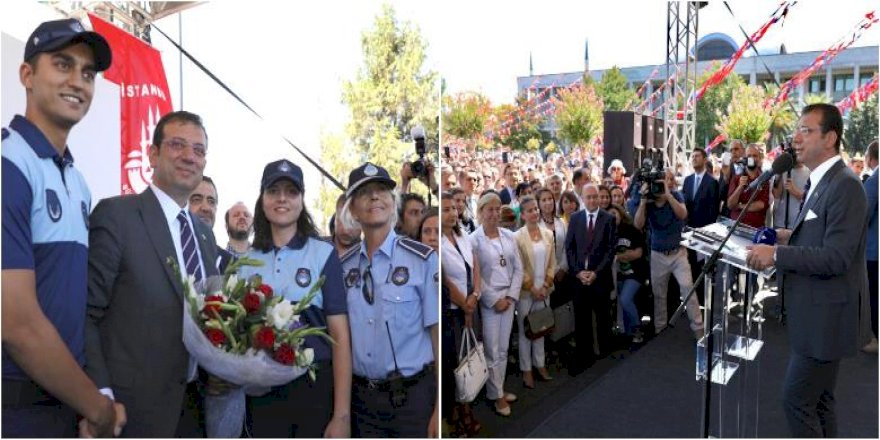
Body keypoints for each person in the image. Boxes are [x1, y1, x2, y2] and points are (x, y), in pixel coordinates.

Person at [2, 18, 123, 438]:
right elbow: (15, 323)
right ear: (27, 75)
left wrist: (86, 398)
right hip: (15, 409)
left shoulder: (78, 182)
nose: (78, 81)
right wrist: (98, 407)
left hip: (64, 403)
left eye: (88, 73)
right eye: (63, 64)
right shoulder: (8, 165)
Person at [86, 110, 218, 436]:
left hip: (195, 408)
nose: (189, 156)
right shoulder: (117, 216)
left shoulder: (205, 236)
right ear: (153, 153)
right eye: (177, 145)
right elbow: (85, 315)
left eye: (198, 150)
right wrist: (98, 395)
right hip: (130, 411)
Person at [746, 104, 868, 438]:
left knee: (796, 400)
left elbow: (836, 257)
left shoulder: (845, 184)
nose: (795, 138)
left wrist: (778, 254)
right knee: (820, 401)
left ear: (830, 138)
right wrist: (788, 235)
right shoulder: (822, 180)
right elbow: (821, 236)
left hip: (825, 321)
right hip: (813, 316)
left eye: (806, 130)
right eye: (796, 130)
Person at [237, 159, 351, 437]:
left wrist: (342, 416)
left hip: (314, 392)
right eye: (273, 191)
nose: (282, 199)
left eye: (291, 192)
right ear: (262, 199)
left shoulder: (323, 254)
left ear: (301, 201)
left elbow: (340, 337)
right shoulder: (246, 262)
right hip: (262, 396)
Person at [338, 162, 439, 437]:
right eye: (364, 193)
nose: (374, 197)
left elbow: (437, 335)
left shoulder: (423, 260)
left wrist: (439, 406)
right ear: (353, 210)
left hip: (413, 400)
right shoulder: (342, 268)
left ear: (392, 203)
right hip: (362, 404)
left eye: (382, 190)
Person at [633, 169, 704, 339]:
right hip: (658, 255)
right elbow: (638, 224)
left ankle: (699, 329)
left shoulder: (676, 196)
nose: (660, 186)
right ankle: (660, 331)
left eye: (665, 181)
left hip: (678, 253)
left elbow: (683, 214)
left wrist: (668, 195)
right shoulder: (648, 200)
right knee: (659, 295)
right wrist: (643, 201)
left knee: (688, 288)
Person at [470, 192, 523, 416]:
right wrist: (494, 299)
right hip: (490, 301)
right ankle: (496, 395)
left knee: (503, 349)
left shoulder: (508, 236)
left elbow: (518, 269)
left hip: (508, 299)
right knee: (492, 350)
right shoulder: (474, 240)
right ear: (480, 212)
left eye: (497, 209)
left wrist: (510, 297)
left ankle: (498, 389)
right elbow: (476, 276)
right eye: (489, 209)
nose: (494, 213)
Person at [439, 195, 481, 437]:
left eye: (454, 208)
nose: (452, 213)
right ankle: (460, 412)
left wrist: (475, 295)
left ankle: (465, 406)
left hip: (470, 305)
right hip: (454, 311)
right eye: (445, 209)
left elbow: (475, 267)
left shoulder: (462, 235)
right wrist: (464, 305)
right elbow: (446, 280)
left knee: (470, 357)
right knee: (456, 363)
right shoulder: (438, 242)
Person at [565, 184, 617, 374]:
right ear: (583, 199)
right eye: (589, 197)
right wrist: (578, 272)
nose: (593, 200)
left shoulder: (609, 219)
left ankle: (605, 354)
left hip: (600, 278)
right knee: (582, 318)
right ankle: (584, 354)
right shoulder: (575, 218)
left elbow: (611, 250)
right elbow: (569, 248)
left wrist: (596, 273)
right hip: (579, 279)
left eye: (595, 197)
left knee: (603, 317)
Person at [514, 196, 556, 389]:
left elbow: (552, 263)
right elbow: (519, 268)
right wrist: (532, 288)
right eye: (529, 210)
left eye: (535, 209)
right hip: (526, 293)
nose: (534, 213)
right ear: (522, 215)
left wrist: (546, 286)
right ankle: (526, 370)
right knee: (526, 332)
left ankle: (539, 365)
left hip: (544, 290)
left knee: (541, 328)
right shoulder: (517, 237)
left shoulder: (548, 234)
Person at [607, 204, 648, 345]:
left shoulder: (631, 230)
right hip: (617, 275)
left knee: (625, 298)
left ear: (620, 213)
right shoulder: (607, 234)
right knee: (620, 303)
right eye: (609, 214)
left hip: (635, 273)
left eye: (614, 213)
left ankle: (638, 328)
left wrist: (619, 256)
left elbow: (638, 253)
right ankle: (627, 332)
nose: (612, 216)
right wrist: (624, 255)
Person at [683, 148, 721, 301]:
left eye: (697, 156)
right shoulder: (687, 180)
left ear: (705, 159)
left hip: (704, 233)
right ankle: (691, 299)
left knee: (703, 268)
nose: (694, 159)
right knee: (690, 266)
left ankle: (704, 300)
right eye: (692, 156)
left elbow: (713, 211)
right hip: (688, 231)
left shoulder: (712, 182)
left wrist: (708, 233)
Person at [189, 175, 234, 272]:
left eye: (211, 201)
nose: (206, 208)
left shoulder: (230, 263)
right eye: (197, 199)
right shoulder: (169, 252)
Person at [726, 144, 770, 228]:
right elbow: (730, 205)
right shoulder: (736, 178)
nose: (752, 158)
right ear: (745, 158)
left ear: (759, 158)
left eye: (755, 155)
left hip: (755, 228)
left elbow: (760, 205)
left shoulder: (764, 179)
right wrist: (740, 187)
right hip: (736, 227)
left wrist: (739, 206)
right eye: (749, 155)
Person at [864, 140, 879, 354]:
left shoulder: (874, 181)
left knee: (873, 296)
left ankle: (873, 337)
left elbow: (863, 216)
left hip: (873, 251)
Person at [771, 150, 810, 230]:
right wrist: (779, 173)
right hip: (781, 222)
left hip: (799, 223)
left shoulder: (810, 171)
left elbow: (811, 200)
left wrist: (795, 192)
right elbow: (777, 195)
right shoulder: (784, 171)